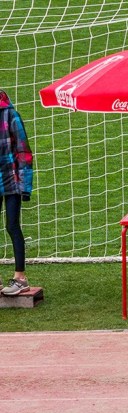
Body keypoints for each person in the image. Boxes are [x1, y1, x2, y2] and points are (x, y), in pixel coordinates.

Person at [0, 90, 33, 296]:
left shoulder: (11, 115)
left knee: (12, 225)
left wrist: (25, 186)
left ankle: (20, 277)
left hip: (11, 181)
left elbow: (23, 151)